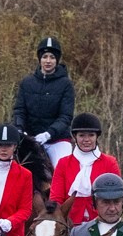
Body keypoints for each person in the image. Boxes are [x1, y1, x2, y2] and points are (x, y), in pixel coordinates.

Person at [11, 37, 77, 175]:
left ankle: (61, 196)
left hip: (56, 140)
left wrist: (48, 134)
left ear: (57, 60)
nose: (48, 61)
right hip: (30, 139)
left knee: (62, 171)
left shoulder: (66, 85)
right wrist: (19, 128)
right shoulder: (27, 82)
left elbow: (65, 117)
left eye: (52, 57)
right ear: (40, 59)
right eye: (45, 56)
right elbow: (19, 110)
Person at [48, 115, 120, 229]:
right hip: (69, 225)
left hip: (102, 223)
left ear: (97, 137)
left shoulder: (110, 163)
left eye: (91, 135)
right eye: (82, 135)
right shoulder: (63, 163)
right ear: (75, 137)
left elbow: (116, 196)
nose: (86, 140)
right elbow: (56, 198)